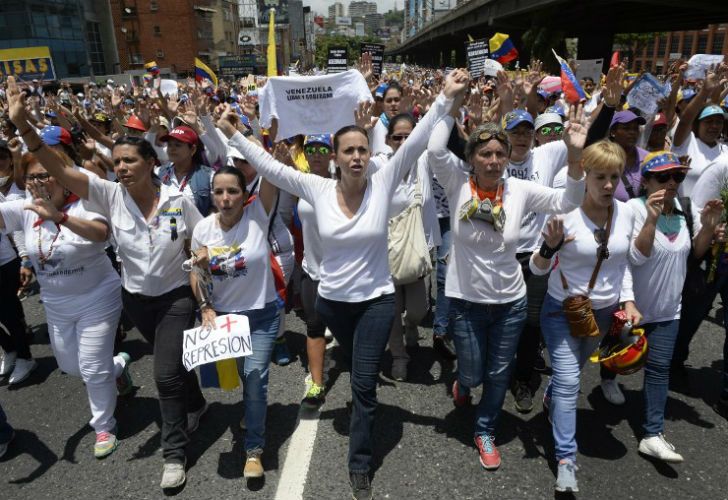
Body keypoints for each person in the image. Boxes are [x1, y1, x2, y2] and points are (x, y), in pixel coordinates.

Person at [217, 69, 468, 500]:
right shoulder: (314, 187)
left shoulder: (384, 181)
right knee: (353, 367)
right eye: (347, 150)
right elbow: (269, 167)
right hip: (332, 304)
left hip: (375, 303)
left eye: (362, 149)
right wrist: (234, 134)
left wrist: (445, 99)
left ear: (370, 154)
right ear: (334, 157)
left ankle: (360, 462)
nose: (355, 157)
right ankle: (357, 393)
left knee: (364, 384)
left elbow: (416, 140)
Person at [7, 73, 207, 490]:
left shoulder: (179, 202)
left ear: (152, 163)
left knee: (165, 373)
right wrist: (23, 126)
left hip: (175, 298)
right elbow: (58, 167)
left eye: (130, 161)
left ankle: (173, 452)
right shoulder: (108, 195)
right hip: (136, 300)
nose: (121, 168)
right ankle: (197, 403)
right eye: (116, 162)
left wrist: (202, 261)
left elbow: (204, 240)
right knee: (175, 364)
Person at [427, 85, 587, 470]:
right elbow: (434, 149)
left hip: (510, 303)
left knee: (498, 373)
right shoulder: (457, 183)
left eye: (500, 153)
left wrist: (576, 154)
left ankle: (485, 430)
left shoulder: (519, 190)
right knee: (473, 370)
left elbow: (568, 201)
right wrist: (451, 103)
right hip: (466, 302)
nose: (495, 159)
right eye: (486, 153)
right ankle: (463, 384)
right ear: (472, 158)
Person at [0, 153, 132, 458]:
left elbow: (101, 234)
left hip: (98, 296)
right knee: (72, 367)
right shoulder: (24, 210)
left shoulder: (85, 202)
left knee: (90, 367)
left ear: (63, 176)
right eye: (32, 177)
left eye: (46, 175)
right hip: (57, 303)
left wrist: (59, 217)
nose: (38, 183)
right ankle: (117, 368)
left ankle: (104, 426)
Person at [531, 140, 642, 493]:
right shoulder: (563, 214)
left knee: (575, 371)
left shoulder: (627, 212)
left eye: (615, 176)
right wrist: (549, 247)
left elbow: (622, 262)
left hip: (605, 313)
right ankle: (566, 460)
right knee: (568, 382)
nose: (609, 185)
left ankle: (551, 399)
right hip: (562, 309)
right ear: (586, 176)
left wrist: (628, 300)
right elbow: (537, 268)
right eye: (600, 177)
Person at [627, 151, 722, 462]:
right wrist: (652, 219)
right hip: (632, 306)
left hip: (669, 309)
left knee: (658, 370)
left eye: (678, 177)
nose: (671, 183)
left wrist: (708, 227)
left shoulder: (683, 209)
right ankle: (607, 378)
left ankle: (652, 434)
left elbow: (692, 255)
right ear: (646, 181)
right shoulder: (632, 209)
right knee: (617, 356)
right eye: (663, 177)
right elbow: (636, 257)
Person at [190, 165, 280, 479]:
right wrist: (205, 307)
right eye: (219, 192)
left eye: (233, 191)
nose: (226, 198)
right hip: (226, 319)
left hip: (262, 314)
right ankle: (252, 407)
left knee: (255, 377)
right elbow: (195, 272)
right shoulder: (203, 229)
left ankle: (253, 450)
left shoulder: (259, 214)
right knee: (242, 374)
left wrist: (269, 147)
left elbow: (271, 174)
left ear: (245, 194)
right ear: (211, 195)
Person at [381, 113, 439, 381]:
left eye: (409, 136)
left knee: (419, 308)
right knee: (392, 309)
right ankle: (399, 357)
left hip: (420, 249)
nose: (404, 141)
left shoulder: (425, 160)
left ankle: (412, 325)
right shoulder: (381, 167)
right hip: (387, 251)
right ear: (387, 140)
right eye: (397, 137)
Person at [297, 134, 334, 408]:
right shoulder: (300, 182)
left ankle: (360, 384)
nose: (317, 154)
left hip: (341, 273)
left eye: (323, 149)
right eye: (311, 149)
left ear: (332, 154)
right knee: (314, 325)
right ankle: (317, 383)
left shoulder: (345, 182)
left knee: (350, 330)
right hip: (311, 270)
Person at [0, 139, 35, 385]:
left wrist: (24, 258)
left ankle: (25, 356)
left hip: (4, 261)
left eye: (3, 157)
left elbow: (17, 226)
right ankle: (10, 348)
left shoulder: (19, 184)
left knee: (10, 314)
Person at [157, 125, 213, 216]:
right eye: (169, 145)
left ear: (192, 149)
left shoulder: (209, 176)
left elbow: (217, 208)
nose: (172, 149)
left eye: (178, 145)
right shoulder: (158, 172)